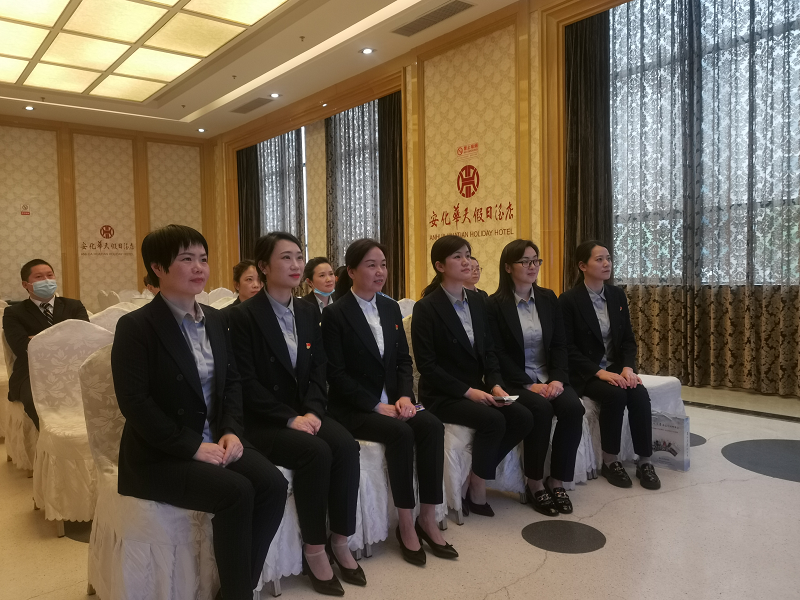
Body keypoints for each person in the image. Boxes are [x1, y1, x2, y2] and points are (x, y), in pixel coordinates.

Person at [111, 225, 288, 600]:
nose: (198, 267)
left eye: (203, 259)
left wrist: (231, 430)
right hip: (161, 454)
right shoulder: (136, 327)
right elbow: (135, 403)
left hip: (217, 438)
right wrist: (192, 446)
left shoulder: (217, 319)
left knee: (273, 485)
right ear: (158, 268)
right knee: (237, 492)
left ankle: (236, 589)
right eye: (186, 259)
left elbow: (232, 382)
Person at [228, 232, 363, 596]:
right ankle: (314, 550)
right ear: (263, 266)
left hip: (306, 411)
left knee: (346, 446)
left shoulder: (307, 310)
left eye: (299, 257)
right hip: (264, 420)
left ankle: (340, 540)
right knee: (315, 452)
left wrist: (315, 410)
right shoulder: (242, 316)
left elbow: (319, 367)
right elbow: (245, 382)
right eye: (285, 258)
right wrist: (290, 418)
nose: (295, 265)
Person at [322, 239, 456, 566]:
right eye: (371, 265)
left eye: (383, 264)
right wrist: (374, 404)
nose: (380, 271)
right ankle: (405, 524)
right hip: (355, 408)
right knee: (401, 433)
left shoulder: (390, 307)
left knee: (431, 425)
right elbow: (335, 374)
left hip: (394, 401)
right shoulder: (336, 314)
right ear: (351, 271)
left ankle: (428, 517)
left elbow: (403, 362)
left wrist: (405, 397)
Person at [411, 235, 533, 517]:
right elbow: (428, 366)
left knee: (523, 417)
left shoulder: (478, 301)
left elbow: (489, 351)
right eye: (457, 257)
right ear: (440, 266)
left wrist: (495, 384)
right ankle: (477, 489)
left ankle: (476, 476)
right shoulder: (427, 307)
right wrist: (469, 392)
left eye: (467, 255)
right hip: (443, 394)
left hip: (478, 387)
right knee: (493, 420)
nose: (466, 262)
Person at [488, 240, 585, 516]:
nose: (533, 267)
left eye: (536, 260)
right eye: (525, 261)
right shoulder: (495, 305)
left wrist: (557, 379)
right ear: (508, 267)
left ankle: (557, 481)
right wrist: (529, 385)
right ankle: (534, 482)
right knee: (540, 410)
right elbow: (497, 353)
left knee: (573, 408)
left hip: (549, 377)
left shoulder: (548, 298)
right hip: (517, 381)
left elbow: (560, 345)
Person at [559, 240, 660, 490]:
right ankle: (610, 460)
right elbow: (568, 348)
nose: (607, 264)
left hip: (615, 369)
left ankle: (645, 460)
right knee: (615, 395)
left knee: (639, 394)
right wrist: (600, 373)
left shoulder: (616, 295)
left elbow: (627, 340)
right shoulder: (569, 300)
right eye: (599, 259)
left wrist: (628, 368)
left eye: (608, 258)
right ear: (583, 266)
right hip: (586, 373)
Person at [3, 259, 89, 430]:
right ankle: (49, 440)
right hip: (31, 372)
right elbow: (21, 346)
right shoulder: (14, 312)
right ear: (26, 284)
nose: (47, 280)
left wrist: (37, 339)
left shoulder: (74, 306)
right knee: (36, 404)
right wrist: (65, 338)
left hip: (73, 368)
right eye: (39, 277)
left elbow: (83, 339)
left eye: (50, 275)